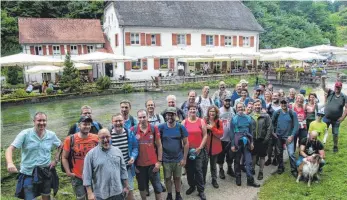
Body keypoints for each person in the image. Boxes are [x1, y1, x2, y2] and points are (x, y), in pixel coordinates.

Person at [6, 112, 62, 200]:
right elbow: (10, 149)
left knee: (46, 195)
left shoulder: (51, 135)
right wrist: (10, 163)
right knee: (29, 197)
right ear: (34, 121)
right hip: (28, 173)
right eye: (39, 120)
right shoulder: (25, 134)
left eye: (44, 120)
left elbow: (61, 146)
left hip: (45, 171)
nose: (42, 123)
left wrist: (56, 160)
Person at [83, 128, 130, 200]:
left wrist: (126, 186)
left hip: (117, 192)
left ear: (110, 137)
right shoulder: (90, 155)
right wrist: (90, 193)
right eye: (102, 138)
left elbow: (123, 170)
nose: (105, 140)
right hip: (100, 195)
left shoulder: (117, 151)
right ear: (98, 139)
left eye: (107, 137)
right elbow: (86, 175)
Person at [62, 116, 99, 200]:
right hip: (77, 176)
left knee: (94, 197)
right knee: (80, 198)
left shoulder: (96, 138)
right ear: (79, 126)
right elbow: (64, 157)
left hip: (94, 175)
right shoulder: (70, 139)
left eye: (89, 124)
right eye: (84, 124)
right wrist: (68, 172)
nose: (87, 126)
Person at [131, 109, 163, 200]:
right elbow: (131, 148)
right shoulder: (133, 130)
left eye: (144, 117)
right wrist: (134, 165)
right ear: (138, 118)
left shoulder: (154, 128)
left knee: (157, 187)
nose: (142, 119)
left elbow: (159, 145)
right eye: (140, 117)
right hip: (139, 165)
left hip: (153, 165)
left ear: (147, 117)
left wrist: (159, 162)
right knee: (142, 187)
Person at [158, 107, 189, 200]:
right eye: (168, 114)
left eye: (172, 114)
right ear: (166, 116)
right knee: (167, 178)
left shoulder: (180, 127)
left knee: (177, 177)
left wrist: (184, 158)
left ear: (176, 115)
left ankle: (178, 194)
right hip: (166, 159)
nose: (170, 116)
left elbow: (186, 143)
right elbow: (157, 143)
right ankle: (169, 194)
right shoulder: (161, 127)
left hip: (178, 158)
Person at [230, 102, 260, 187]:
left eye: (241, 107)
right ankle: (238, 177)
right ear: (236, 108)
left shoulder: (248, 118)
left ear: (244, 108)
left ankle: (250, 180)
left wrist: (252, 142)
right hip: (237, 141)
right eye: (238, 107)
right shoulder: (234, 119)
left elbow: (251, 131)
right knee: (237, 160)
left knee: (248, 161)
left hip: (247, 141)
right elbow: (231, 133)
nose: (240, 109)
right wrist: (232, 145)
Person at [110, 113, 139, 200]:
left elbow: (135, 147)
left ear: (123, 122)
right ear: (112, 122)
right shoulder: (108, 135)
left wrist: (133, 157)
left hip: (127, 168)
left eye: (120, 120)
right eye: (116, 121)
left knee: (129, 190)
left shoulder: (129, 133)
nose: (118, 123)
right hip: (113, 170)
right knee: (117, 192)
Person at [182, 103, 208, 200]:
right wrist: (185, 148)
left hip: (198, 150)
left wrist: (200, 147)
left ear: (196, 110)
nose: (192, 111)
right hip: (188, 150)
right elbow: (182, 136)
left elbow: (205, 135)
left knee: (198, 170)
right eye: (191, 109)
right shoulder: (184, 122)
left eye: (194, 109)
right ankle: (192, 186)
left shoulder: (201, 121)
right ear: (188, 111)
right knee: (189, 170)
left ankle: (201, 190)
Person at [272, 99, 299, 177]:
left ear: (288, 103)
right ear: (280, 103)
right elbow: (272, 123)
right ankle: (281, 167)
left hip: (289, 136)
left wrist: (292, 135)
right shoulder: (276, 113)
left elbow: (296, 126)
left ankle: (293, 169)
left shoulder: (292, 113)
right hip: (279, 136)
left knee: (291, 153)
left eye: (285, 103)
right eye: (282, 102)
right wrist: (273, 132)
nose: (283, 104)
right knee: (279, 153)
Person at [321, 77, 347, 152]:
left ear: (341, 87)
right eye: (336, 87)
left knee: (335, 134)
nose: (337, 88)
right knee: (322, 131)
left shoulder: (344, 97)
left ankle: (335, 146)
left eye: (338, 87)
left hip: (336, 119)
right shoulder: (330, 92)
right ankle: (320, 145)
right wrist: (323, 79)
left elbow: (346, 108)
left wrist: (342, 118)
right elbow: (323, 87)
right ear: (334, 87)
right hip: (326, 117)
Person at [250, 99, 273, 180]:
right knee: (253, 155)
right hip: (253, 140)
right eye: (255, 105)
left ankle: (261, 171)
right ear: (253, 106)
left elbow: (269, 128)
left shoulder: (266, 116)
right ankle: (252, 168)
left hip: (262, 139)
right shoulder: (250, 116)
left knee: (262, 156)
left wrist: (266, 139)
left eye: (258, 105)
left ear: (261, 106)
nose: (257, 106)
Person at [202, 105, 223, 189]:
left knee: (213, 166)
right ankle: (202, 181)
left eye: (213, 111)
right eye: (210, 111)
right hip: (205, 148)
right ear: (208, 112)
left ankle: (214, 180)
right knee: (204, 166)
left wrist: (212, 128)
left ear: (216, 113)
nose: (212, 113)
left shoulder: (218, 122)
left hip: (215, 148)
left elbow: (220, 135)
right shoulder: (204, 121)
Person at [218, 97, 236, 179]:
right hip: (221, 138)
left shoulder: (233, 110)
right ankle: (221, 169)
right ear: (223, 101)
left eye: (229, 101)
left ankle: (229, 168)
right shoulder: (219, 111)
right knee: (221, 156)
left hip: (231, 138)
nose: (227, 102)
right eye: (226, 101)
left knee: (230, 155)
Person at [265, 92, 281, 166]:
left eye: (276, 96)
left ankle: (275, 158)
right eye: (273, 96)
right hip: (270, 128)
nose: (274, 97)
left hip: (279, 128)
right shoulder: (268, 106)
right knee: (269, 145)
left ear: (279, 97)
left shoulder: (282, 106)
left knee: (277, 144)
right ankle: (269, 159)